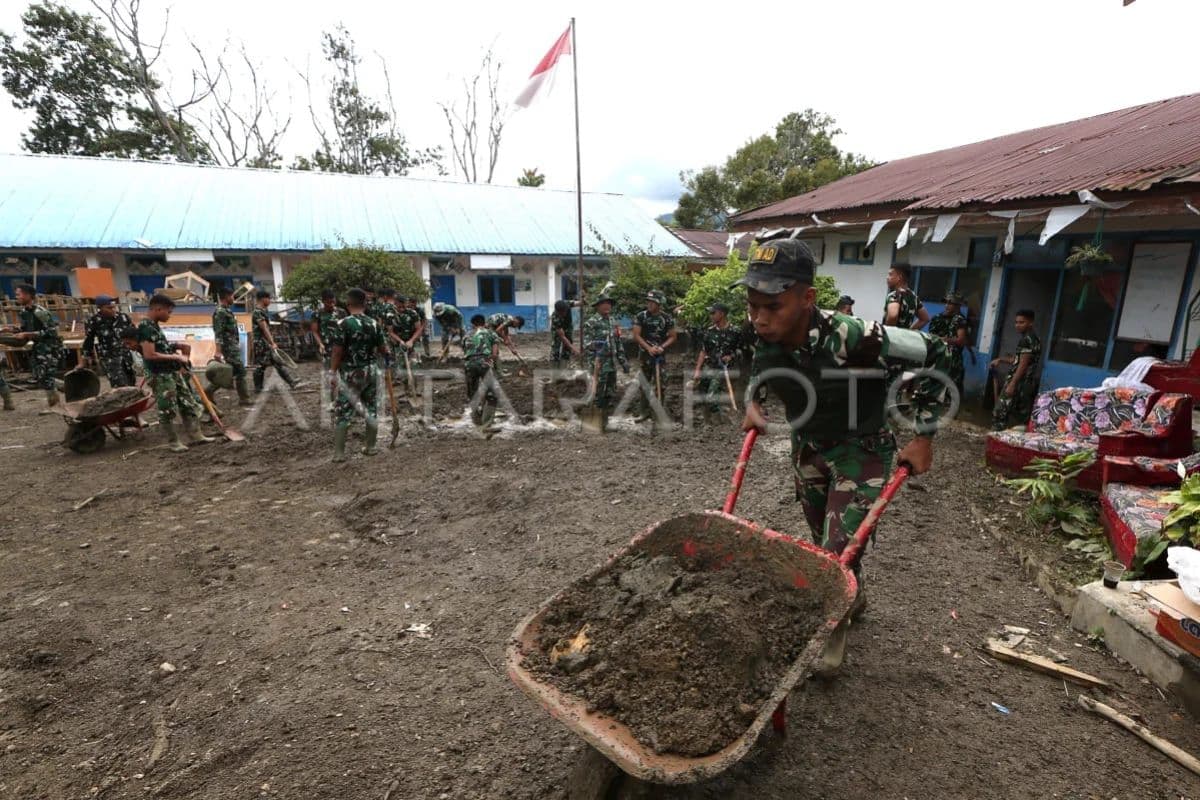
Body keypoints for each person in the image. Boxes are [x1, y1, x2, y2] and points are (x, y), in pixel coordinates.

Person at [735, 237, 950, 671]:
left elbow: (938, 353)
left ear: (807, 298)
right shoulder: (762, 330)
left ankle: (832, 630)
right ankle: (852, 590)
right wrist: (753, 402)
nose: (759, 318)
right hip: (809, 446)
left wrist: (924, 436)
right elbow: (761, 363)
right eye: (752, 305)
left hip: (861, 449)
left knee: (835, 551)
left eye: (772, 306)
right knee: (823, 542)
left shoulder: (856, 335)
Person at [137, 294, 213, 453]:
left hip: (172, 371)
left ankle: (196, 435)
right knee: (167, 409)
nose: (169, 316)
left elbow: (160, 347)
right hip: (160, 374)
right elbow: (149, 354)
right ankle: (173, 442)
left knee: (187, 403)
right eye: (168, 312)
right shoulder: (145, 327)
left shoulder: (154, 326)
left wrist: (176, 346)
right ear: (158, 309)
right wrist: (176, 356)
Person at [328, 288, 389, 462]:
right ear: (365, 304)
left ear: (348, 304)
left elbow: (337, 351)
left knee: (344, 411)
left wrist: (332, 372)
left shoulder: (343, 324)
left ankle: (339, 454)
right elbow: (383, 349)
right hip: (371, 371)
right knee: (371, 408)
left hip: (351, 373)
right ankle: (370, 447)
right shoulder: (374, 323)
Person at [5, 283, 65, 410]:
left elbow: (52, 332)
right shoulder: (24, 312)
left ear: (28, 295)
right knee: (40, 375)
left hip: (50, 347)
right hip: (38, 347)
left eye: (18, 294)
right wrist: (10, 329)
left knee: (46, 376)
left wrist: (27, 334)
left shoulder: (40, 312)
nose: (17, 297)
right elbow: (24, 329)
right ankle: (69, 388)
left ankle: (55, 405)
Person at [991, 309, 1042, 430]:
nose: (1017, 325)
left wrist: (1012, 384)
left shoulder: (1026, 340)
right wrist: (1001, 360)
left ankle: (996, 439)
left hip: (1018, 382)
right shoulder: (1035, 339)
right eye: (1016, 322)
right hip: (1026, 383)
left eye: (1021, 322)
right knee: (1021, 416)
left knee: (999, 413)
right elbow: (1020, 359)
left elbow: (1023, 365)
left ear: (1031, 323)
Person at [691, 302, 742, 420]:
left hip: (724, 368)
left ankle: (719, 421)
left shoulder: (735, 331)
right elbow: (703, 351)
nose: (710, 315)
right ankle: (707, 417)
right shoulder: (709, 331)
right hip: (709, 366)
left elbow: (741, 350)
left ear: (722, 314)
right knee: (702, 391)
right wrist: (698, 370)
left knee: (711, 397)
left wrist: (731, 356)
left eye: (713, 313)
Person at [632, 290, 677, 417]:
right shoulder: (641, 316)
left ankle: (658, 411)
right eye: (648, 301)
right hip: (645, 355)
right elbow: (636, 335)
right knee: (644, 383)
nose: (649, 304)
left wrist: (662, 347)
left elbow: (673, 336)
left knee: (661, 384)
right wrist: (648, 348)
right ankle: (643, 411)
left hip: (660, 355)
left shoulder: (667, 318)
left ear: (659, 303)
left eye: (653, 302)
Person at [582, 295, 629, 412]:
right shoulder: (591, 323)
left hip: (611, 362)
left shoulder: (613, 321)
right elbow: (586, 344)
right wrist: (596, 346)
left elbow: (618, 343)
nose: (607, 306)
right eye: (604, 303)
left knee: (610, 390)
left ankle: (605, 414)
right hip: (598, 363)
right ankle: (595, 413)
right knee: (598, 389)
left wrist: (623, 361)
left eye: (609, 303)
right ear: (598, 306)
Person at [251, 290, 302, 392]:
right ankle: (258, 387)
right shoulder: (257, 312)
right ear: (263, 299)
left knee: (276, 362)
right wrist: (272, 342)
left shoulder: (262, 311)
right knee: (260, 365)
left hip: (264, 342)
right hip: (261, 343)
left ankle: (291, 382)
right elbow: (264, 328)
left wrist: (271, 342)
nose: (270, 301)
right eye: (269, 298)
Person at [210, 286, 253, 406]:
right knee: (239, 371)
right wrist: (218, 351)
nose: (233, 299)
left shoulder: (226, 311)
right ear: (227, 297)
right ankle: (244, 399)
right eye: (232, 296)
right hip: (228, 348)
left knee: (232, 372)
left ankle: (209, 391)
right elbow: (218, 332)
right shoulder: (220, 312)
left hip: (232, 346)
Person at [82, 295, 135, 388]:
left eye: (114, 307)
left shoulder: (123, 318)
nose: (113, 310)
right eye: (109, 308)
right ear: (100, 308)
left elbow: (134, 334)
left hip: (126, 356)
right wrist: (83, 361)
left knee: (132, 383)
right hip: (110, 359)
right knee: (120, 386)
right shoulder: (94, 321)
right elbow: (88, 341)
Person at [928, 291, 969, 400]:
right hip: (939, 357)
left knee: (953, 390)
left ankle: (953, 413)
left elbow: (961, 340)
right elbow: (931, 337)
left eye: (950, 303)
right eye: (946, 302)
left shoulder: (960, 320)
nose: (947, 305)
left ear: (958, 305)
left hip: (953, 360)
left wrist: (945, 340)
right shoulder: (938, 318)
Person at [463, 314, 502, 425]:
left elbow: (465, 352)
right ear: (484, 323)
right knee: (492, 394)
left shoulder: (466, 335)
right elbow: (495, 354)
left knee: (472, 392)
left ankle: (476, 417)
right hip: (485, 363)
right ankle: (487, 422)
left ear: (472, 324)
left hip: (469, 364)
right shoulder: (491, 333)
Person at [883, 264, 930, 330]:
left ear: (899, 277)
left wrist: (887, 332)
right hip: (904, 339)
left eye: (890, 274)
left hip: (892, 338)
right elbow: (925, 319)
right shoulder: (914, 297)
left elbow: (892, 316)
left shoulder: (894, 295)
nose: (887, 277)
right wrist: (908, 332)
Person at [313, 289, 346, 372]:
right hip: (326, 347)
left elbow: (346, 328)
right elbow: (314, 331)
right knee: (329, 371)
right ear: (323, 301)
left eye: (333, 302)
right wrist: (320, 344)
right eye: (328, 302)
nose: (331, 305)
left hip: (340, 346)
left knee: (343, 370)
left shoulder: (341, 312)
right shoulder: (317, 314)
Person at [550, 300, 579, 367]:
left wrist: (583, 301)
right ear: (557, 311)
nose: (564, 314)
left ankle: (563, 368)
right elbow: (562, 337)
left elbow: (577, 303)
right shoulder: (555, 318)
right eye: (562, 313)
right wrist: (573, 349)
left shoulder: (567, 304)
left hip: (568, 326)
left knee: (567, 349)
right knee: (555, 348)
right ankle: (554, 370)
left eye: (565, 311)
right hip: (558, 330)